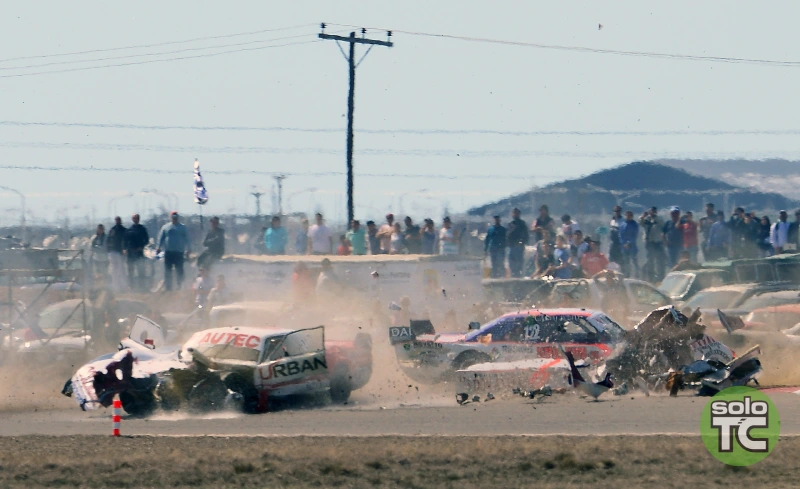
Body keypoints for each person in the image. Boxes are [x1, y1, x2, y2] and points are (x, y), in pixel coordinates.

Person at [157, 211, 190, 291]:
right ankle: (168, 288)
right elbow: (161, 237)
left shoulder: (183, 227)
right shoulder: (165, 227)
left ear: (178, 217)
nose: (174, 218)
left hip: (179, 252)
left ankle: (180, 286)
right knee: (168, 270)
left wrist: (189, 249)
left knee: (179, 270)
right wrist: (158, 247)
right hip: (168, 252)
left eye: (176, 217)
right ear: (171, 217)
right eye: (173, 217)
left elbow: (187, 238)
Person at [640, 207, 666, 282]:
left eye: (654, 211)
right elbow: (641, 223)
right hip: (649, 242)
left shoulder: (659, 218)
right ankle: (650, 276)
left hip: (657, 242)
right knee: (650, 259)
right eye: (652, 211)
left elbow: (662, 224)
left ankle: (660, 276)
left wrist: (655, 218)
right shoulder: (646, 219)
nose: (653, 212)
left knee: (659, 259)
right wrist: (643, 216)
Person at [125, 213, 150, 292]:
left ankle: (141, 287)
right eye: (134, 218)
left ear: (139, 219)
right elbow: (125, 241)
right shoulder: (129, 230)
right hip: (130, 253)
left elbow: (146, 240)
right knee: (130, 271)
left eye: (137, 218)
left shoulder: (142, 229)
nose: (135, 219)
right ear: (132, 219)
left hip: (139, 252)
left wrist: (141, 246)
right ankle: (131, 287)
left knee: (141, 270)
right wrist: (124, 249)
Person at [506, 208, 529, 277]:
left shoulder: (522, 224)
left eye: (516, 213)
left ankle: (518, 276)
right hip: (511, 246)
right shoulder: (511, 224)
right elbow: (507, 234)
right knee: (511, 262)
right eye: (514, 213)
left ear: (519, 214)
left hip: (519, 246)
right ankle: (513, 275)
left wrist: (522, 242)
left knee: (519, 263)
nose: (515, 214)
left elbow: (526, 235)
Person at [106, 216, 127, 292]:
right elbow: (108, 240)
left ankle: (124, 286)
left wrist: (125, 249)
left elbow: (126, 240)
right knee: (114, 271)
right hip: (113, 252)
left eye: (118, 220)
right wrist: (108, 250)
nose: (117, 221)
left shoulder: (124, 230)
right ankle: (116, 287)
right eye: (116, 220)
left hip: (120, 252)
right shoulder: (112, 230)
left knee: (121, 270)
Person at [619, 210, 639, 278]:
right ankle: (627, 275)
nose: (629, 217)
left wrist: (629, 243)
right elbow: (620, 235)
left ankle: (637, 275)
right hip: (624, 247)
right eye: (627, 215)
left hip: (632, 246)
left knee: (634, 261)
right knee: (626, 262)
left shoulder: (635, 224)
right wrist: (623, 243)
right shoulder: (622, 224)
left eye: (630, 215)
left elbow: (635, 235)